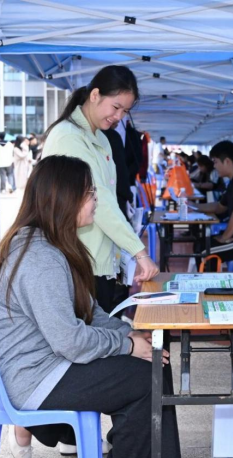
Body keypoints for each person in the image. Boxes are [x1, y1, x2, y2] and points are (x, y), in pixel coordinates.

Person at [0, 155, 180, 458]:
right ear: (65, 198)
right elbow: (71, 342)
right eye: (89, 193)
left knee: (153, 362)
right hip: (35, 378)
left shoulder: (53, 244)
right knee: (146, 379)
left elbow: (90, 312)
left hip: (47, 364)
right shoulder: (40, 258)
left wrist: (129, 334)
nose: (95, 199)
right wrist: (128, 345)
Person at [42, 65, 160, 313]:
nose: (119, 117)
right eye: (116, 107)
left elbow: (108, 199)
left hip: (96, 258)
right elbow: (101, 200)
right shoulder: (69, 136)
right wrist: (139, 252)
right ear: (95, 95)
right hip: (78, 260)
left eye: (125, 111)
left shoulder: (101, 138)